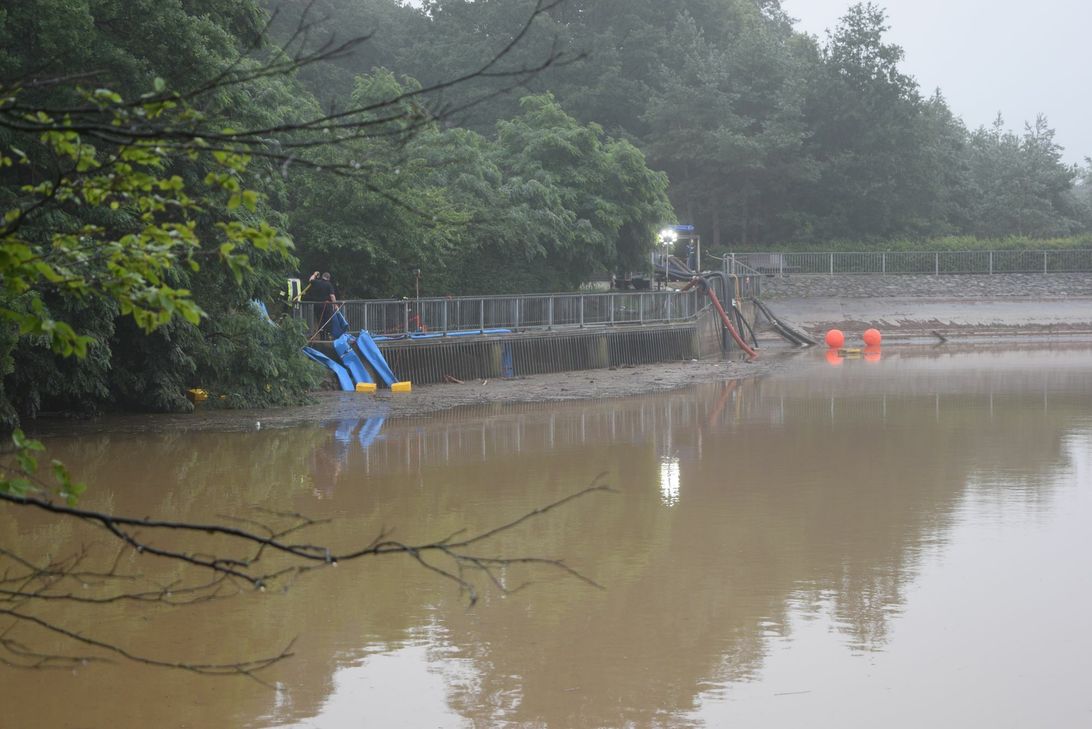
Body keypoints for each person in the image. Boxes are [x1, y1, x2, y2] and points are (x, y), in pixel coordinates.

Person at [304, 271, 337, 338]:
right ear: (328, 278)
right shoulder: (329, 284)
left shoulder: (316, 282)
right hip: (326, 305)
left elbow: (310, 280)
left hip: (317, 305)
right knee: (327, 320)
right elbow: (332, 296)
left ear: (322, 276)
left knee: (320, 320)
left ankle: (322, 335)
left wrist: (314, 274)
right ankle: (327, 335)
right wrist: (335, 305)